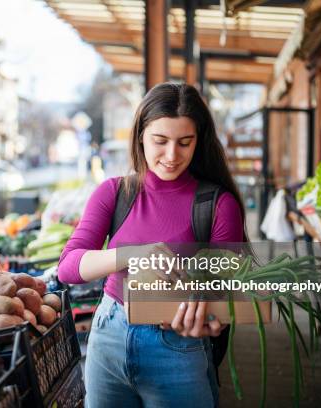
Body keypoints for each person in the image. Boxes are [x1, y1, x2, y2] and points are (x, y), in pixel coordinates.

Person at [57, 83, 248, 408]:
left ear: (198, 142)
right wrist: (132, 255)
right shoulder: (114, 193)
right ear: (140, 136)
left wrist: (211, 315)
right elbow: (68, 267)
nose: (172, 156)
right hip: (109, 337)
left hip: (179, 348)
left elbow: (228, 293)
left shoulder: (217, 205)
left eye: (184, 143)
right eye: (160, 141)